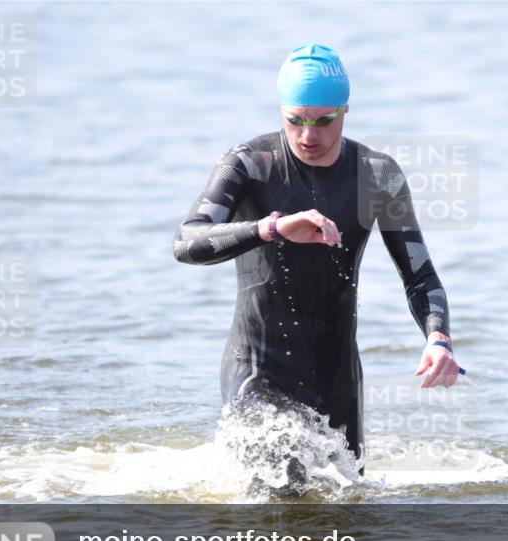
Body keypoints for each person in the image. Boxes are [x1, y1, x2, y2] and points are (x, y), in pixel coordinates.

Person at [173, 44, 460, 485]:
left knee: (347, 515)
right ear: (282, 111)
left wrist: (438, 338)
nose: (308, 135)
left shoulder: (377, 175)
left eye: (323, 120)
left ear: (345, 110)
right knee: (281, 491)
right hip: (258, 368)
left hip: (337, 375)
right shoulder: (249, 164)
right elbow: (187, 241)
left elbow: (420, 275)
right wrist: (270, 228)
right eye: (296, 120)